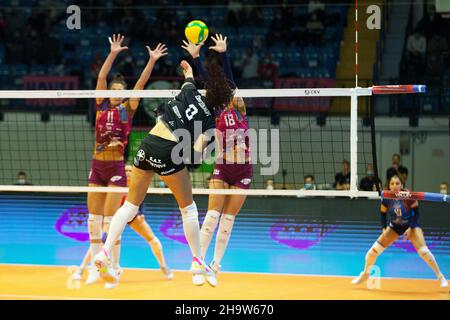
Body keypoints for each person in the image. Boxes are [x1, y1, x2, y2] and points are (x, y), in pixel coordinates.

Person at [93, 58, 234, 287]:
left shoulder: (190, 91)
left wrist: (188, 67)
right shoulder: (210, 123)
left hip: (148, 144)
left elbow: (188, 76)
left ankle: (104, 252)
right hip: (169, 151)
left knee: (129, 206)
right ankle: (198, 261)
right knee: (188, 208)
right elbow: (195, 157)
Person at [85, 34, 167, 285]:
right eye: (115, 90)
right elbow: (100, 77)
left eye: (121, 91)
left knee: (111, 220)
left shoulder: (127, 109)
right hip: (96, 165)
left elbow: (140, 85)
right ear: (109, 91)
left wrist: (151, 61)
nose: (118, 93)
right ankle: (93, 268)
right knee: (93, 221)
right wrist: (112, 53)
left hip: (116, 167)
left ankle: (115, 268)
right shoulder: (100, 104)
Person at [182, 34, 252, 287]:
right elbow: (214, 84)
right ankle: (198, 261)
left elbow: (230, 83)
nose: (237, 95)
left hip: (243, 169)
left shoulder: (241, 109)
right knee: (212, 216)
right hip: (223, 167)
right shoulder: (217, 109)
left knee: (228, 222)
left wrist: (224, 53)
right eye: (233, 93)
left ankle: (215, 266)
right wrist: (197, 57)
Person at [73, 164, 173, 288]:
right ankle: (83, 269)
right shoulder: (114, 185)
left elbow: (140, 199)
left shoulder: (137, 184)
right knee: (102, 242)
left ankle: (163, 266)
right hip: (115, 218)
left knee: (153, 240)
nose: (128, 173)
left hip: (133, 216)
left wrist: (141, 213)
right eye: (126, 170)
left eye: (131, 170)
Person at [352, 175, 448, 288]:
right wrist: (384, 228)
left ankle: (440, 276)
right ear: (389, 185)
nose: (395, 186)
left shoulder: (409, 195)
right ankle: (365, 274)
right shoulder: (386, 196)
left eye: (397, 183)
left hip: (411, 224)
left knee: (424, 252)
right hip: (395, 226)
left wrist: (410, 228)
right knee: (372, 252)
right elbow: (383, 214)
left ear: (401, 185)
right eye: (392, 184)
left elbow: (416, 213)